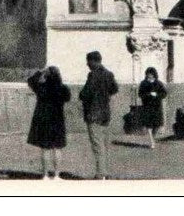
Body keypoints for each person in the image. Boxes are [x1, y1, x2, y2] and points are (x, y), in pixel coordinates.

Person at [79, 51, 118, 180]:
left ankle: (100, 173)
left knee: (97, 145)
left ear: (93, 61)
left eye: (88, 61)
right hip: (105, 113)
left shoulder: (93, 75)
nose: (87, 64)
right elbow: (114, 89)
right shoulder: (109, 74)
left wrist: (84, 96)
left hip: (93, 113)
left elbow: (85, 94)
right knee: (104, 144)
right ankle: (105, 172)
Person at [27, 66, 71, 179]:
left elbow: (30, 80)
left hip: (44, 120)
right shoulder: (63, 88)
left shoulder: (41, 87)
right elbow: (68, 98)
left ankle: (45, 175)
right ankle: (56, 175)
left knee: (45, 148)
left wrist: (41, 72)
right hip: (57, 121)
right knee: (57, 148)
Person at [138, 66, 167, 149]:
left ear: (154, 75)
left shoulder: (158, 83)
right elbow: (140, 94)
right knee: (149, 125)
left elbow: (164, 94)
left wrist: (157, 95)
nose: (149, 76)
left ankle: (153, 139)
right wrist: (148, 94)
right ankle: (152, 141)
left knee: (156, 125)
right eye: (148, 74)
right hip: (147, 106)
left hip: (157, 107)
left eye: (151, 74)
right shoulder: (143, 83)